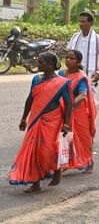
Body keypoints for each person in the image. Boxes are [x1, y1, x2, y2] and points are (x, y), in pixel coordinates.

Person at [9, 52, 72, 192]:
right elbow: (30, 99)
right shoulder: (36, 79)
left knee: (47, 150)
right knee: (33, 151)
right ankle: (35, 183)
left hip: (52, 120)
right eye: (38, 61)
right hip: (35, 119)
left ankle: (56, 169)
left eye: (41, 62)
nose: (37, 65)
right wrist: (24, 118)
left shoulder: (63, 82)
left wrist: (66, 124)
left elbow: (68, 104)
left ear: (50, 65)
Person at [59, 50, 97, 173]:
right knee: (64, 138)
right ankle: (64, 164)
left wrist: (70, 105)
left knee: (84, 139)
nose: (68, 60)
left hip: (77, 111)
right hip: (63, 111)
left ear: (78, 62)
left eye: (72, 58)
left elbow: (82, 95)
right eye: (67, 57)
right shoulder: (61, 74)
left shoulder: (81, 77)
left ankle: (89, 162)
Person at [66, 12, 99, 88]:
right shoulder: (75, 36)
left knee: (88, 96)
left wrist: (98, 72)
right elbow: (69, 52)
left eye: (83, 22)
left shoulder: (98, 38)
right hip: (74, 72)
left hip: (90, 73)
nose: (80, 24)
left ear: (91, 23)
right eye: (79, 21)